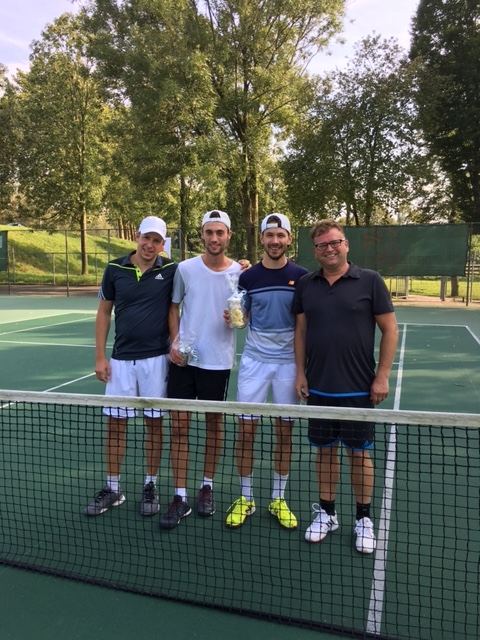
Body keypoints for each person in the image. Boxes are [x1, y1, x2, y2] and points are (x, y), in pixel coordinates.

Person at [292, 219, 398, 553]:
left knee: (358, 454)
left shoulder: (370, 281)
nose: (329, 249)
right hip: (319, 388)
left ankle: (363, 519)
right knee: (324, 452)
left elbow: (390, 329)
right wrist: (300, 373)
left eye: (335, 242)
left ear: (346, 244)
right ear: (315, 251)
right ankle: (327, 513)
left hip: (358, 389)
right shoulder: (306, 285)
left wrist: (382, 376)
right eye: (322, 245)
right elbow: (300, 332)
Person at [84, 216, 176, 517]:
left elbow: (205, 271)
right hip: (121, 361)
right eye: (146, 238)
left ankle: (150, 485)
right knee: (115, 426)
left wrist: (242, 266)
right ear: (137, 236)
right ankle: (113, 488)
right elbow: (103, 313)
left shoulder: (171, 270)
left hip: (156, 361)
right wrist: (100, 357)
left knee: (154, 425)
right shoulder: (114, 269)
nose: (150, 244)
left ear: (162, 244)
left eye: (156, 240)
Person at [159, 210, 243, 530]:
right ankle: (180, 495)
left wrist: (238, 319)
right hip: (184, 361)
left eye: (220, 232)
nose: (214, 238)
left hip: (217, 363)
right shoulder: (185, 269)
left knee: (213, 427)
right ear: (202, 235)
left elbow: (243, 314)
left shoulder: (240, 272)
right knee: (179, 428)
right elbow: (173, 307)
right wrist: (175, 342)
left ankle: (206, 486)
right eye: (209, 232)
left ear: (228, 235)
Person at [225, 213, 308, 530]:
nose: (275, 241)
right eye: (270, 235)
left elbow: (303, 326)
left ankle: (278, 498)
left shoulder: (302, 277)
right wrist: (234, 318)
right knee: (246, 432)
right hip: (254, 363)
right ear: (262, 239)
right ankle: (246, 497)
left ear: (289, 239)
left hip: (289, 364)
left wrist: (302, 370)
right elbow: (243, 317)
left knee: (284, 433)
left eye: (280, 235)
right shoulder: (248, 277)